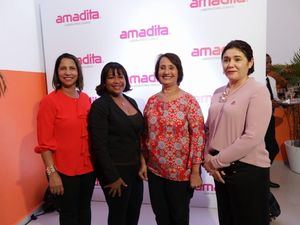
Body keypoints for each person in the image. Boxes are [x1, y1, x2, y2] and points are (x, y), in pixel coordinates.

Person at [204, 40, 272, 225]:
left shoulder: (258, 91)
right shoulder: (218, 92)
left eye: (237, 59)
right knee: (227, 219)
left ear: (249, 63)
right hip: (220, 170)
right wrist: (207, 158)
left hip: (247, 170)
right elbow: (208, 129)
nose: (230, 64)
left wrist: (215, 162)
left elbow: (252, 137)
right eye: (226, 60)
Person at [140, 53, 205, 225]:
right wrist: (143, 162)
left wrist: (196, 171)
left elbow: (198, 137)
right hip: (155, 171)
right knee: (161, 217)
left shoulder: (189, 101)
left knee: (179, 218)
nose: (166, 71)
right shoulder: (152, 101)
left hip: (181, 174)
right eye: (162, 67)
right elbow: (144, 135)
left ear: (178, 72)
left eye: (171, 67)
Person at [35, 53, 95, 225]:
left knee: (85, 209)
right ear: (57, 73)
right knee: (69, 215)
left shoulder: (85, 98)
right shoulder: (49, 102)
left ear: (78, 72)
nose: (68, 72)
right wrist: (52, 174)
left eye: (72, 68)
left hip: (88, 169)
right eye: (63, 68)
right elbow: (44, 144)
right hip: (63, 171)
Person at [88, 62, 144, 225]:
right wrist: (112, 177)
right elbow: (99, 146)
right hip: (115, 172)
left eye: (120, 76)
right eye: (111, 77)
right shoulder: (100, 106)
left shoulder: (131, 100)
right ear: (104, 82)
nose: (116, 81)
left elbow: (136, 137)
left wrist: (142, 162)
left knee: (133, 213)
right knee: (118, 216)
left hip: (135, 170)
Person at [265, 54, 281, 188]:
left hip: (270, 117)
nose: (269, 65)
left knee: (272, 148)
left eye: (270, 62)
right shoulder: (253, 80)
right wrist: (268, 103)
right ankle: (262, 180)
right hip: (257, 120)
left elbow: (275, 98)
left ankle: (265, 178)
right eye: (266, 62)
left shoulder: (271, 80)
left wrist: (280, 102)